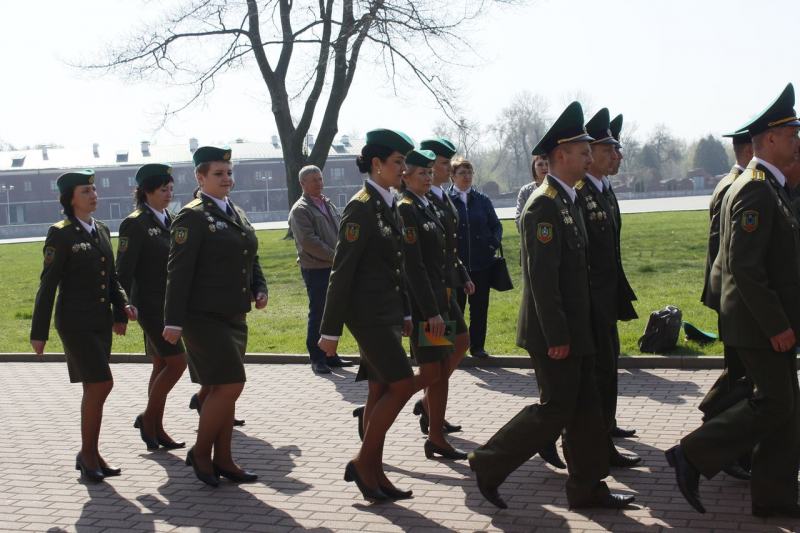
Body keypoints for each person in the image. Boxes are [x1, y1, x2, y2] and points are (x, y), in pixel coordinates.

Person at [468, 102, 635, 511]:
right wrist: (560, 335)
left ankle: (587, 488)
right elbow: (542, 280)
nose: (590, 157)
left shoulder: (568, 200)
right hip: (554, 331)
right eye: (583, 152)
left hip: (576, 326)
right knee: (555, 410)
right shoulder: (544, 204)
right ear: (561, 156)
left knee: (585, 411)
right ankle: (487, 462)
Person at [666, 83, 800, 518]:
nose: (799, 141)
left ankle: (773, 496)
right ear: (771, 139)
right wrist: (777, 324)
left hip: (770, 321)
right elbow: (745, 269)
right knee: (775, 402)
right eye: (793, 133)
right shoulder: (756, 188)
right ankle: (692, 453)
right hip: (760, 325)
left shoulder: (771, 187)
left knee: (787, 407)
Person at [318, 128, 416, 502]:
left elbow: (396, 265)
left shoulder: (388, 202)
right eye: (398, 162)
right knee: (403, 385)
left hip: (387, 312)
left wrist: (404, 311)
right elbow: (341, 271)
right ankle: (362, 462)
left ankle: (375, 471)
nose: (403, 169)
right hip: (367, 316)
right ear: (376, 164)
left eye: (404, 162)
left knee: (381, 388)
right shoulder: (360, 207)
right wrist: (330, 332)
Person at [163, 145, 268, 487]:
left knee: (226, 388)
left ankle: (224, 458)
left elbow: (250, 256)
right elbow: (178, 271)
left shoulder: (235, 211)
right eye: (219, 173)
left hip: (235, 315)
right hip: (202, 316)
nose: (227, 179)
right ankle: (201, 452)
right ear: (200, 177)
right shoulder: (192, 215)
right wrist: (173, 321)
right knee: (231, 384)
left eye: (229, 172)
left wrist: (259, 285)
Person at [30, 169, 138, 482]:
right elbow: (47, 285)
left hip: (99, 321)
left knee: (94, 386)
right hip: (75, 322)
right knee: (102, 384)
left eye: (93, 190)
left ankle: (90, 452)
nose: (93, 195)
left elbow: (112, 277)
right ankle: (88, 453)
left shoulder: (102, 229)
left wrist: (123, 306)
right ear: (69, 199)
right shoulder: (60, 233)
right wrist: (40, 334)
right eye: (85, 191)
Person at [575, 108, 641, 469]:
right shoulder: (582, 192)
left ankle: (606, 425)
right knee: (597, 371)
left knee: (608, 366)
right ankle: (593, 440)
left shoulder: (603, 189)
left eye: (616, 150)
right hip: (591, 299)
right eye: (608, 150)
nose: (616, 157)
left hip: (606, 295)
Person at [397, 148, 467, 460]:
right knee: (432, 373)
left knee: (440, 367)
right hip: (429, 304)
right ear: (405, 176)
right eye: (420, 173)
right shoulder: (407, 209)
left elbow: (444, 253)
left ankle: (436, 435)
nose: (427, 177)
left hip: (442, 297)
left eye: (429, 172)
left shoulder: (428, 205)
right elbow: (414, 268)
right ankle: (377, 407)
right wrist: (431, 313)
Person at [116, 163, 188, 451]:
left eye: (171, 189)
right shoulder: (135, 223)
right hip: (150, 305)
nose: (169, 194)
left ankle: (156, 428)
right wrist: (119, 309)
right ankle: (148, 420)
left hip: (172, 306)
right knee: (177, 362)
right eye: (163, 190)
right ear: (146, 192)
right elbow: (122, 271)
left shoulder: (171, 219)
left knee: (161, 364)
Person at [696, 130, 754, 481]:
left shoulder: (731, 182)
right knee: (743, 379)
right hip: (736, 297)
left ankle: (716, 422)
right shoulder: (737, 186)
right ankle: (724, 446)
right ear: (750, 150)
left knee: (740, 374)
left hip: (730, 295)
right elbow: (728, 254)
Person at [409, 137, 474, 437]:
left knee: (461, 342)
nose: (449, 168)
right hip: (432, 296)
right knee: (436, 368)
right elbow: (416, 261)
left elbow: (449, 247)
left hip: (447, 288)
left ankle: (429, 405)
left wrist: (462, 273)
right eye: (445, 163)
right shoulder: (419, 201)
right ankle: (387, 405)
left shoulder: (439, 197)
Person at [287, 165, 353, 374]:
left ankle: (330, 354)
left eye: (321, 178)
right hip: (316, 268)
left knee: (332, 312)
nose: (319, 183)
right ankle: (317, 357)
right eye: (313, 180)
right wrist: (336, 257)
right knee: (319, 312)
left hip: (334, 266)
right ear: (303, 183)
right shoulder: (300, 209)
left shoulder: (327, 203)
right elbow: (309, 241)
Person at [448, 158, 503, 358]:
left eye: (470, 172)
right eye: (462, 173)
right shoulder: (447, 200)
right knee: (456, 308)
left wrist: (491, 245)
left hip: (481, 265)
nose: (467, 176)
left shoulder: (482, 200)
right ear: (452, 176)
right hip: (456, 267)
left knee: (480, 308)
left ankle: (477, 346)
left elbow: (497, 226)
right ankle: (455, 348)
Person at [605, 113, 638, 440]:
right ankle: (433, 425)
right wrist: (425, 311)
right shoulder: (414, 208)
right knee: (437, 369)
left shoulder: (437, 205)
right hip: (434, 306)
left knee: (442, 367)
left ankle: (434, 420)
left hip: (443, 304)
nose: (435, 174)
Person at [515, 155, 549, 231]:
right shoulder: (525, 191)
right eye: (540, 164)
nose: (544, 167)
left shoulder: (559, 189)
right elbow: (519, 220)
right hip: (531, 239)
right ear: (534, 167)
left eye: (547, 164)